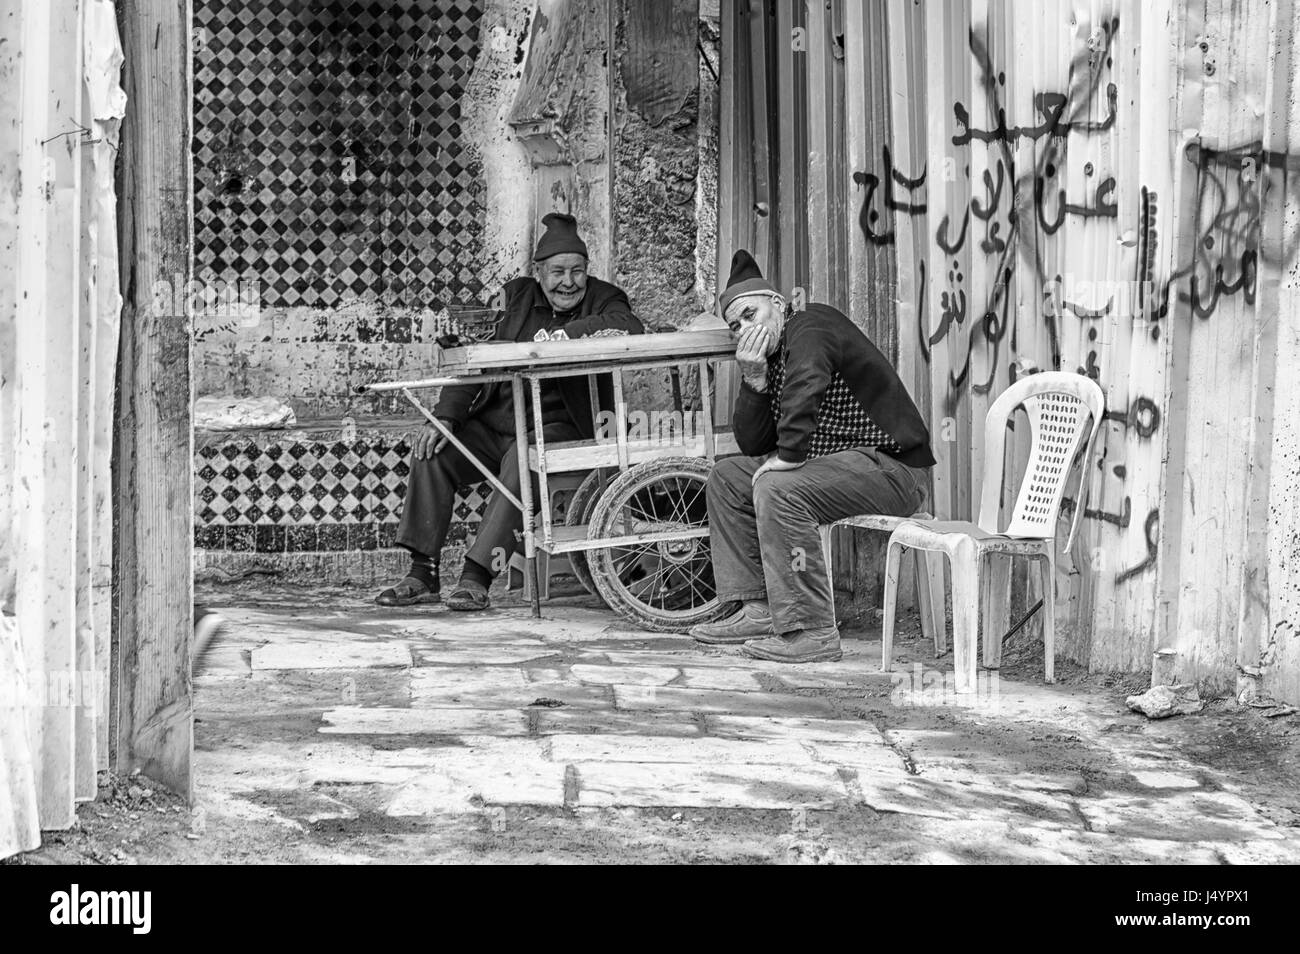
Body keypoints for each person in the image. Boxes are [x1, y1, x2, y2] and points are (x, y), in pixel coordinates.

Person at [377, 213, 644, 611]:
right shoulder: (514, 296)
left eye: (577, 271)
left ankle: (475, 577)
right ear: (539, 273)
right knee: (434, 450)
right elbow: (477, 352)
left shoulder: (605, 297)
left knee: (523, 460)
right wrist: (446, 416)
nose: (568, 282)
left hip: (561, 425)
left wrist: (561, 336)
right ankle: (422, 573)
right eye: (557, 272)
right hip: (495, 420)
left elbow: (630, 325)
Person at [689, 250, 936, 663]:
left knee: (778, 486)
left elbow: (808, 383)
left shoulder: (811, 325)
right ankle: (759, 608)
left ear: (779, 305)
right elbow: (752, 444)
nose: (745, 329)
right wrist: (753, 379)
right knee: (728, 476)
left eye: (751, 315)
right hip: (834, 470)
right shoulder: (769, 358)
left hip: (892, 470)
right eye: (736, 326)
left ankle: (814, 631)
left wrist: (786, 457)